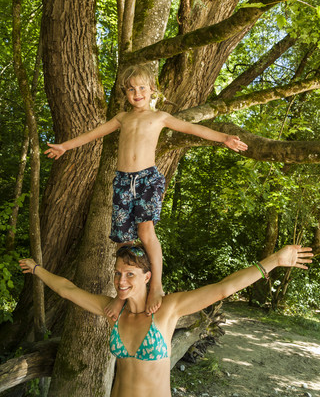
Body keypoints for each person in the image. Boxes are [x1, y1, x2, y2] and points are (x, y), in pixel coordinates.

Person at [44, 64, 248, 317]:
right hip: (122, 181)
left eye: (142, 87)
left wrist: (223, 138)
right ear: (125, 93)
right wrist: (65, 146)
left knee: (145, 231)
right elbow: (93, 134)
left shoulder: (159, 117)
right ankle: (122, 295)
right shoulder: (122, 118)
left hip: (147, 179)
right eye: (131, 89)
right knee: (124, 241)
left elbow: (194, 129)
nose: (136, 92)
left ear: (152, 90)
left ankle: (156, 286)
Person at [19, 244, 312, 397]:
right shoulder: (112, 311)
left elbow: (223, 288)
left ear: (147, 277)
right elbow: (68, 290)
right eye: (118, 273)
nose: (121, 280)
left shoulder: (167, 309)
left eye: (130, 274)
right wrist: (36, 270)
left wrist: (273, 261)